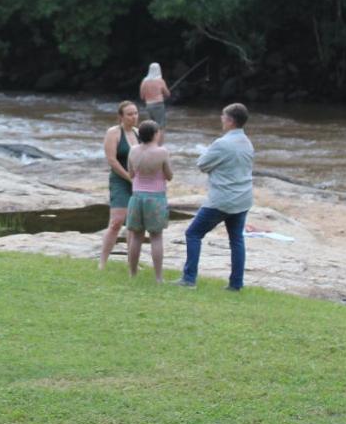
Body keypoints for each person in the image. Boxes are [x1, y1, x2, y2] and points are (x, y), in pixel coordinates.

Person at [180, 103, 254, 291]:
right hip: (243, 198)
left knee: (193, 234)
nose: (221, 119)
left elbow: (202, 164)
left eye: (223, 116)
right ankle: (236, 284)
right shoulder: (247, 142)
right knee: (236, 239)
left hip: (222, 199)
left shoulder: (222, 143)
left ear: (230, 120)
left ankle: (189, 279)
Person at [125, 120, 173, 282]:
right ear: (155, 134)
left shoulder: (133, 150)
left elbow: (131, 174)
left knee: (136, 236)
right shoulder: (162, 152)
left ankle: (132, 274)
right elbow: (169, 175)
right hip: (156, 198)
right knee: (156, 237)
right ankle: (158, 277)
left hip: (137, 196)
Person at [99, 100, 139, 269]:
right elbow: (112, 160)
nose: (134, 117)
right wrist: (129, 177)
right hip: (119, 181)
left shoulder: (138, 133)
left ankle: (132, 262)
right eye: (130, 114)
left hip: (138, 182)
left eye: (136, 113)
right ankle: (102, 262)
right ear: (121, 117)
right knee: (116, 222)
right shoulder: (113, 133)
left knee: (133, 224)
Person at [138, 63, 171, 140]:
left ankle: (150, 143)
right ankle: (159, 146)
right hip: (159, 105)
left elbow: (142, 96)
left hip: (148, 105)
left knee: (150, 126)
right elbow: (168, 94)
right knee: (160, 126)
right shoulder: (160, 81)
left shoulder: (144, 81)